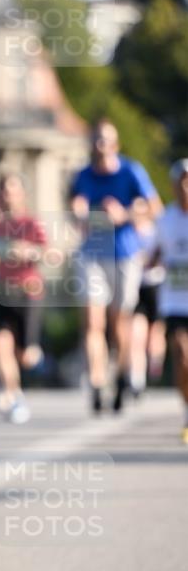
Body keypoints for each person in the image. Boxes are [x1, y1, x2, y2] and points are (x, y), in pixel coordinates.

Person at [70, 119, 162, 414]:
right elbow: (76, 204)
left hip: (125, 254)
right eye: (96, 140)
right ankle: (97, 383)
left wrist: (124, 213)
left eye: (105, 141)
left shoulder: (131, 171)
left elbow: (154, 206)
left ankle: (122, 376)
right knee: (92, 322)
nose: (100, 146)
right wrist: (79, 212)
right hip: (92, 255)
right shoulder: (82, 175)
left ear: (115, 145)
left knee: (120, 323)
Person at [0, 174, 46, 424]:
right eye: (4, 191)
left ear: (22, 194)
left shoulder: (31, 222)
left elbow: (49, 253)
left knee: (25, 357)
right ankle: (14, 395)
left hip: (27, 293)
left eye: (12, 191)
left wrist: (27, 250)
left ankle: (30, 355)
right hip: (0, 292)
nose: (8, 196)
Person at [154, 159, 188, 443]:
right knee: (181, 354)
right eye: (182, 182)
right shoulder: (164, 220)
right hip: (175, 301)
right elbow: (152, 254)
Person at [129, 204, 166, 398]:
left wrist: (149, 261)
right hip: (135, 287)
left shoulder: (156, 230)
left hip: (156, 286)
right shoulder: (127, 233)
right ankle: (137, 377)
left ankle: (155, 361)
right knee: (136, 334)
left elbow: (164, 255)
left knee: (154, 335)